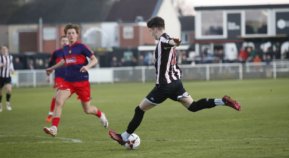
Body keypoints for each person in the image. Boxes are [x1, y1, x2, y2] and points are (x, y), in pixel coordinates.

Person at [109, 16, 241, 145]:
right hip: (176, 83)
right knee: (193, 106)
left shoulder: (163, 40)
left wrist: (175, 42)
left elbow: (171, 42)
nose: (150, 34)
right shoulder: (165, 41)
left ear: (155, 28)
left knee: (139, 109)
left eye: (150, 30)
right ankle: (223, 101)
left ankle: (124, 137)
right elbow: (170, 46)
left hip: (164, 86)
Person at [43, 24, 108, 137]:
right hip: (68, 82)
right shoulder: (65, 48)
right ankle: (54, 128)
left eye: (73, 33)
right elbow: (64, 61)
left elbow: (94, 59)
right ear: (66, 35)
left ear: (77, 35)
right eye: (69, 33)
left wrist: (87, 67)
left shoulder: (82, 47)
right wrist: (52, 68)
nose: (71, 35)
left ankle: (100, 114)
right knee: (58, 101)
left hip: (82, 83)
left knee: (87, 110)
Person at [45, 35, 69, 123]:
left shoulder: (71, 52)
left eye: (66, 41)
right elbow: (50, 65)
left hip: (70, 78)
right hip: (59, 77)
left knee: (62, 97)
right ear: (60, 42)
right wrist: (48, 75)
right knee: (57, 95)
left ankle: (55, 113)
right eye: (63, 41)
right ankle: (51, 114)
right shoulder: (56, 53)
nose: (65, 42)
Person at [0, 46, 14, 112]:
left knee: (9, 90)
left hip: (8, 76)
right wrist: (2, 65)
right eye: (3, 49)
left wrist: (12, 70)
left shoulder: (10, 57)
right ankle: (0, 105)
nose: (4, 50)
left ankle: (8, 104)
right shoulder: (0, 57)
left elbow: (11, 64)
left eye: (5, 49)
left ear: (7, 50)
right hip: (1, 77)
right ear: (1, 50)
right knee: (0, 92)